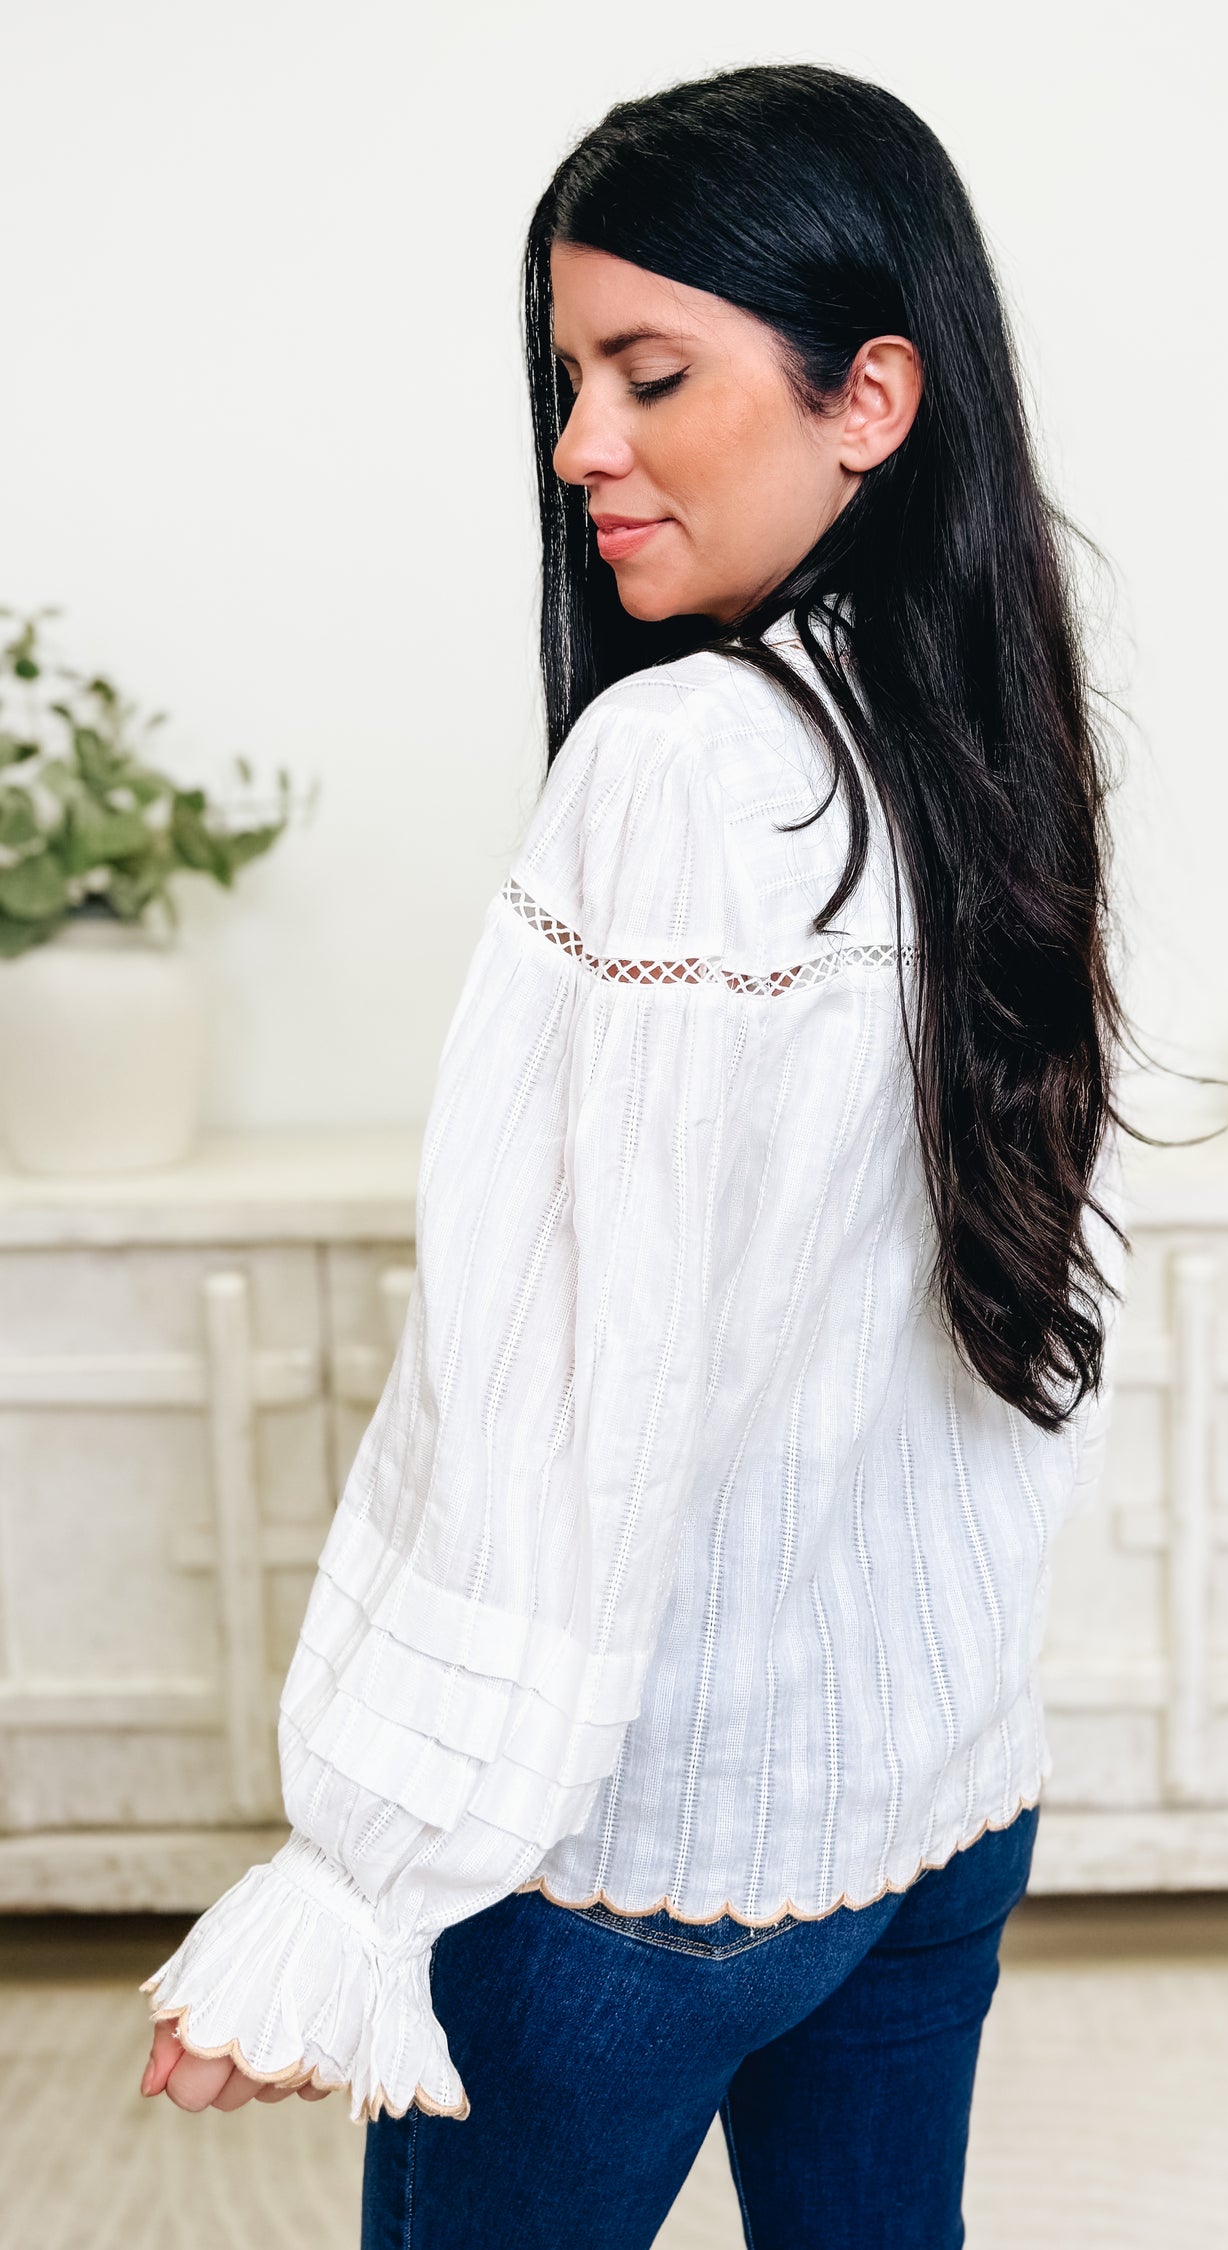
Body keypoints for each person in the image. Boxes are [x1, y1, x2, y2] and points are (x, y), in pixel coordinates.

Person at [138, 62, 1127, 2249]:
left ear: (872, 397)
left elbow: (555, 1388)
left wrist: (364, 1869)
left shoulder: (679, 763)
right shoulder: (981, 726)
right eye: (568, 378)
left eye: (650, 374)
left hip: (640, 1857)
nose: (581, 443)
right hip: (939, 1803)